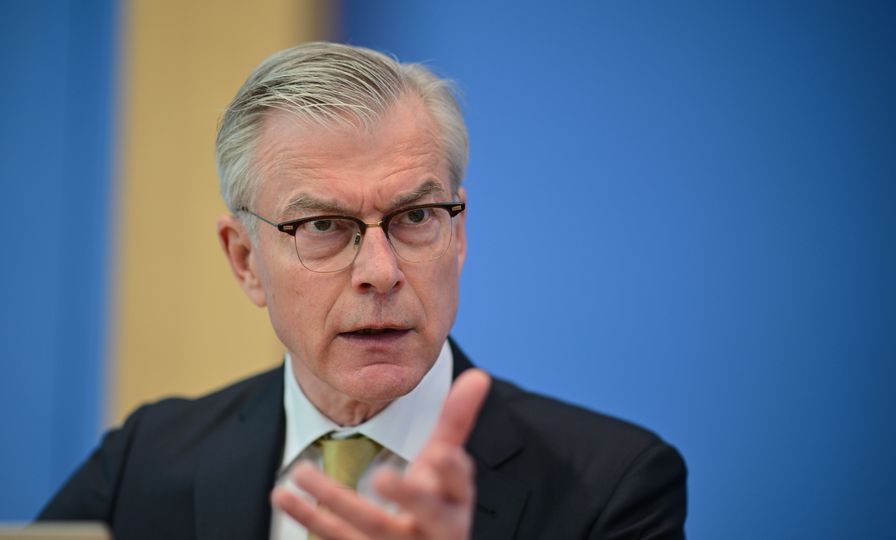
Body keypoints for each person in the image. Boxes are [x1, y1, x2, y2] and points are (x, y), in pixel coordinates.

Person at [39, 42, 687, 539]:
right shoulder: (146, 459)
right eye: (323, 225)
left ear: (458, 235)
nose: (380, 269)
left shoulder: (613, 484)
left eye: (415, 216)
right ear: (245, 260)